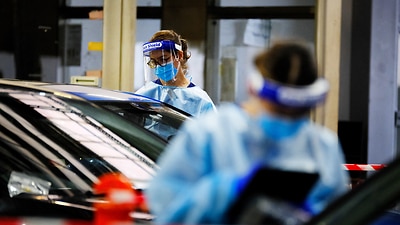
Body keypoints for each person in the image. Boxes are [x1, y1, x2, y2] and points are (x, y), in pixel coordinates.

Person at [145, 40, 350, 224]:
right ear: (253, 88)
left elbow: (344, 212)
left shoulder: (322, 146)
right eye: (278, 108)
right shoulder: (211, 133)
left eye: (299, 113)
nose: (287, 121)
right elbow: (166, 207)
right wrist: (223, 191)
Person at [135, 30, 216, 117]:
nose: (159, 66)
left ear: (179, 55)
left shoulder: (200, 100)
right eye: (154, 62)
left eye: (163, 59)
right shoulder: (144, 95)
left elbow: (212, 129)